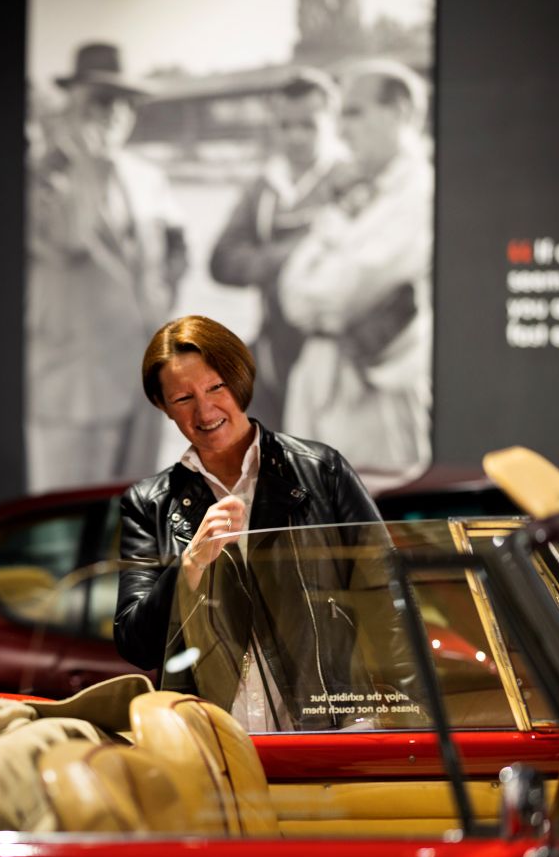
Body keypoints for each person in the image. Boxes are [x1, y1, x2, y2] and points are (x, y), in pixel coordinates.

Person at [113, 315, 389, 731]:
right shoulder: (147, 503)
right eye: (183, 398)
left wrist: (411, 712)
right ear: (162, 405)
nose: (205, 410)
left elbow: (386, 596)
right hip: (212, 738)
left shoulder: (321, 471)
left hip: (330, 730)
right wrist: (189, 566)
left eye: (215, 387)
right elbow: (137, 645)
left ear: (239, 380)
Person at [26, 41, 188, 492]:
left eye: (125, 102)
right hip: (75, 384)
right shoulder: (38, 176)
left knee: (138, 517)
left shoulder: (147, 176)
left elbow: (177, 248)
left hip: (144, 380)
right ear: (72, 104)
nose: (114, 113)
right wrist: (83, 163)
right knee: (71, 518)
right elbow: (67, 241)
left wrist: (163, 300)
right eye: (99, 101)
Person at [276, 59, 433, 492]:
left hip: (373, 397)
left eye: (354, 112)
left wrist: (321, 275)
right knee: (316, 532)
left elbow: (342, 295)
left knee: (372, 538)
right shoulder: (363, 191)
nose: (342, 131)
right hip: (323, 384)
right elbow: (291, 290)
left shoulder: (422, 195)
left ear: (399, 112)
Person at [209, 67, 352, 429]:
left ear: (333, 121)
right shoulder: (264, 187)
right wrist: (295, 255)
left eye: (308, 125)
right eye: (286, 126)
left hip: (342, 353)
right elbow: (221, 261)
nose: (296, 137)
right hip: (275, 349)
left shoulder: (351, 179)